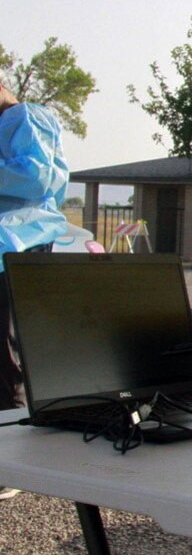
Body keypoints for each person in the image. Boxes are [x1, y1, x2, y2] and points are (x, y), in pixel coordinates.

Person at [0, 82, 69, 500]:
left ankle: (10, 460)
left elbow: (38, 177)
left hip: (18, 245)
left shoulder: (26, 116)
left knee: (4, 350)